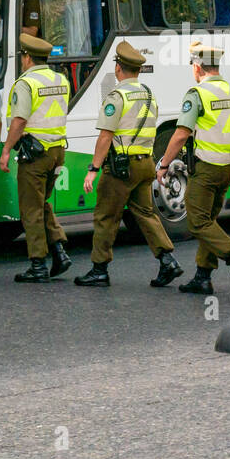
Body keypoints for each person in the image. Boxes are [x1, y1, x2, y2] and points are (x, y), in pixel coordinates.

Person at [74, 41, 179, 287]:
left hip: (122, 167)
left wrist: (93, 169)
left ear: (118, 69)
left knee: (105, 216)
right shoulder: (149, 96)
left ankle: (99, 270)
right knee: (145, 213)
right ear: (138, 71)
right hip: (146, 164)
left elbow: (105, 136)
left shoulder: (117, 96)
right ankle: (168, 261)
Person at [156, 41, 230, 296]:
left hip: (208, 167)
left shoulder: (197, 93)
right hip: (229, 168)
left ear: (197, 66)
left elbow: (180, 134)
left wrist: (164, 164)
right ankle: (202, 277)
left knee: (198, 222)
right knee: (209, 220)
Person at [3, 33, 73, 283]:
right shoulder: (61, 79)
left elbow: (19, 120)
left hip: (35, 155)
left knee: (31, 209)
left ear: (27, 57)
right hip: (57, 152)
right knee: (42, 203)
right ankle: (59, 252)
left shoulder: (26, 83)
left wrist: (5, 150)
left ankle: (38, 264)